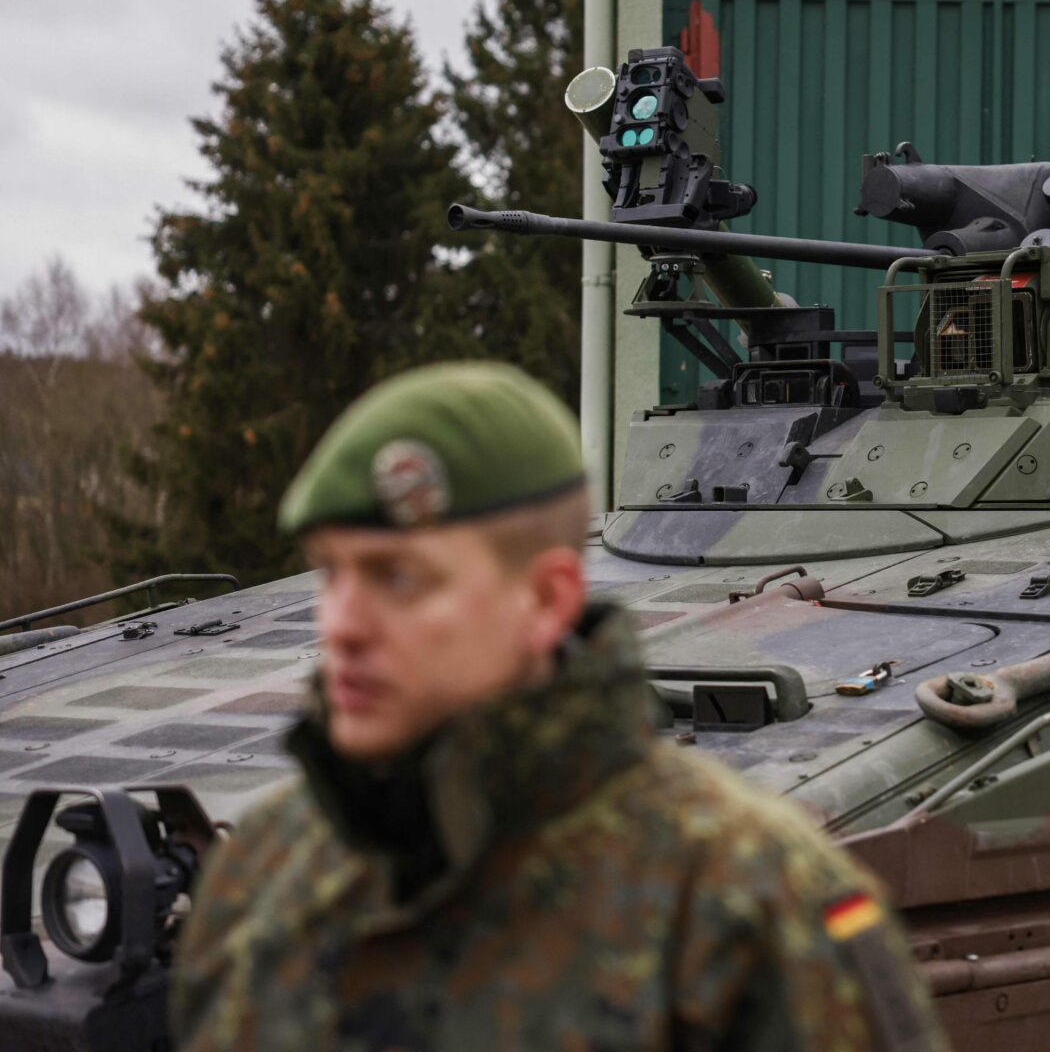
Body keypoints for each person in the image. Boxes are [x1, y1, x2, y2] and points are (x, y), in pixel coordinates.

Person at [171, 361, 945, 1051]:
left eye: (399, 578)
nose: (340, 625)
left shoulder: (749, 904)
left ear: (546, 599)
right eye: (330, 573)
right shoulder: (263, 871)